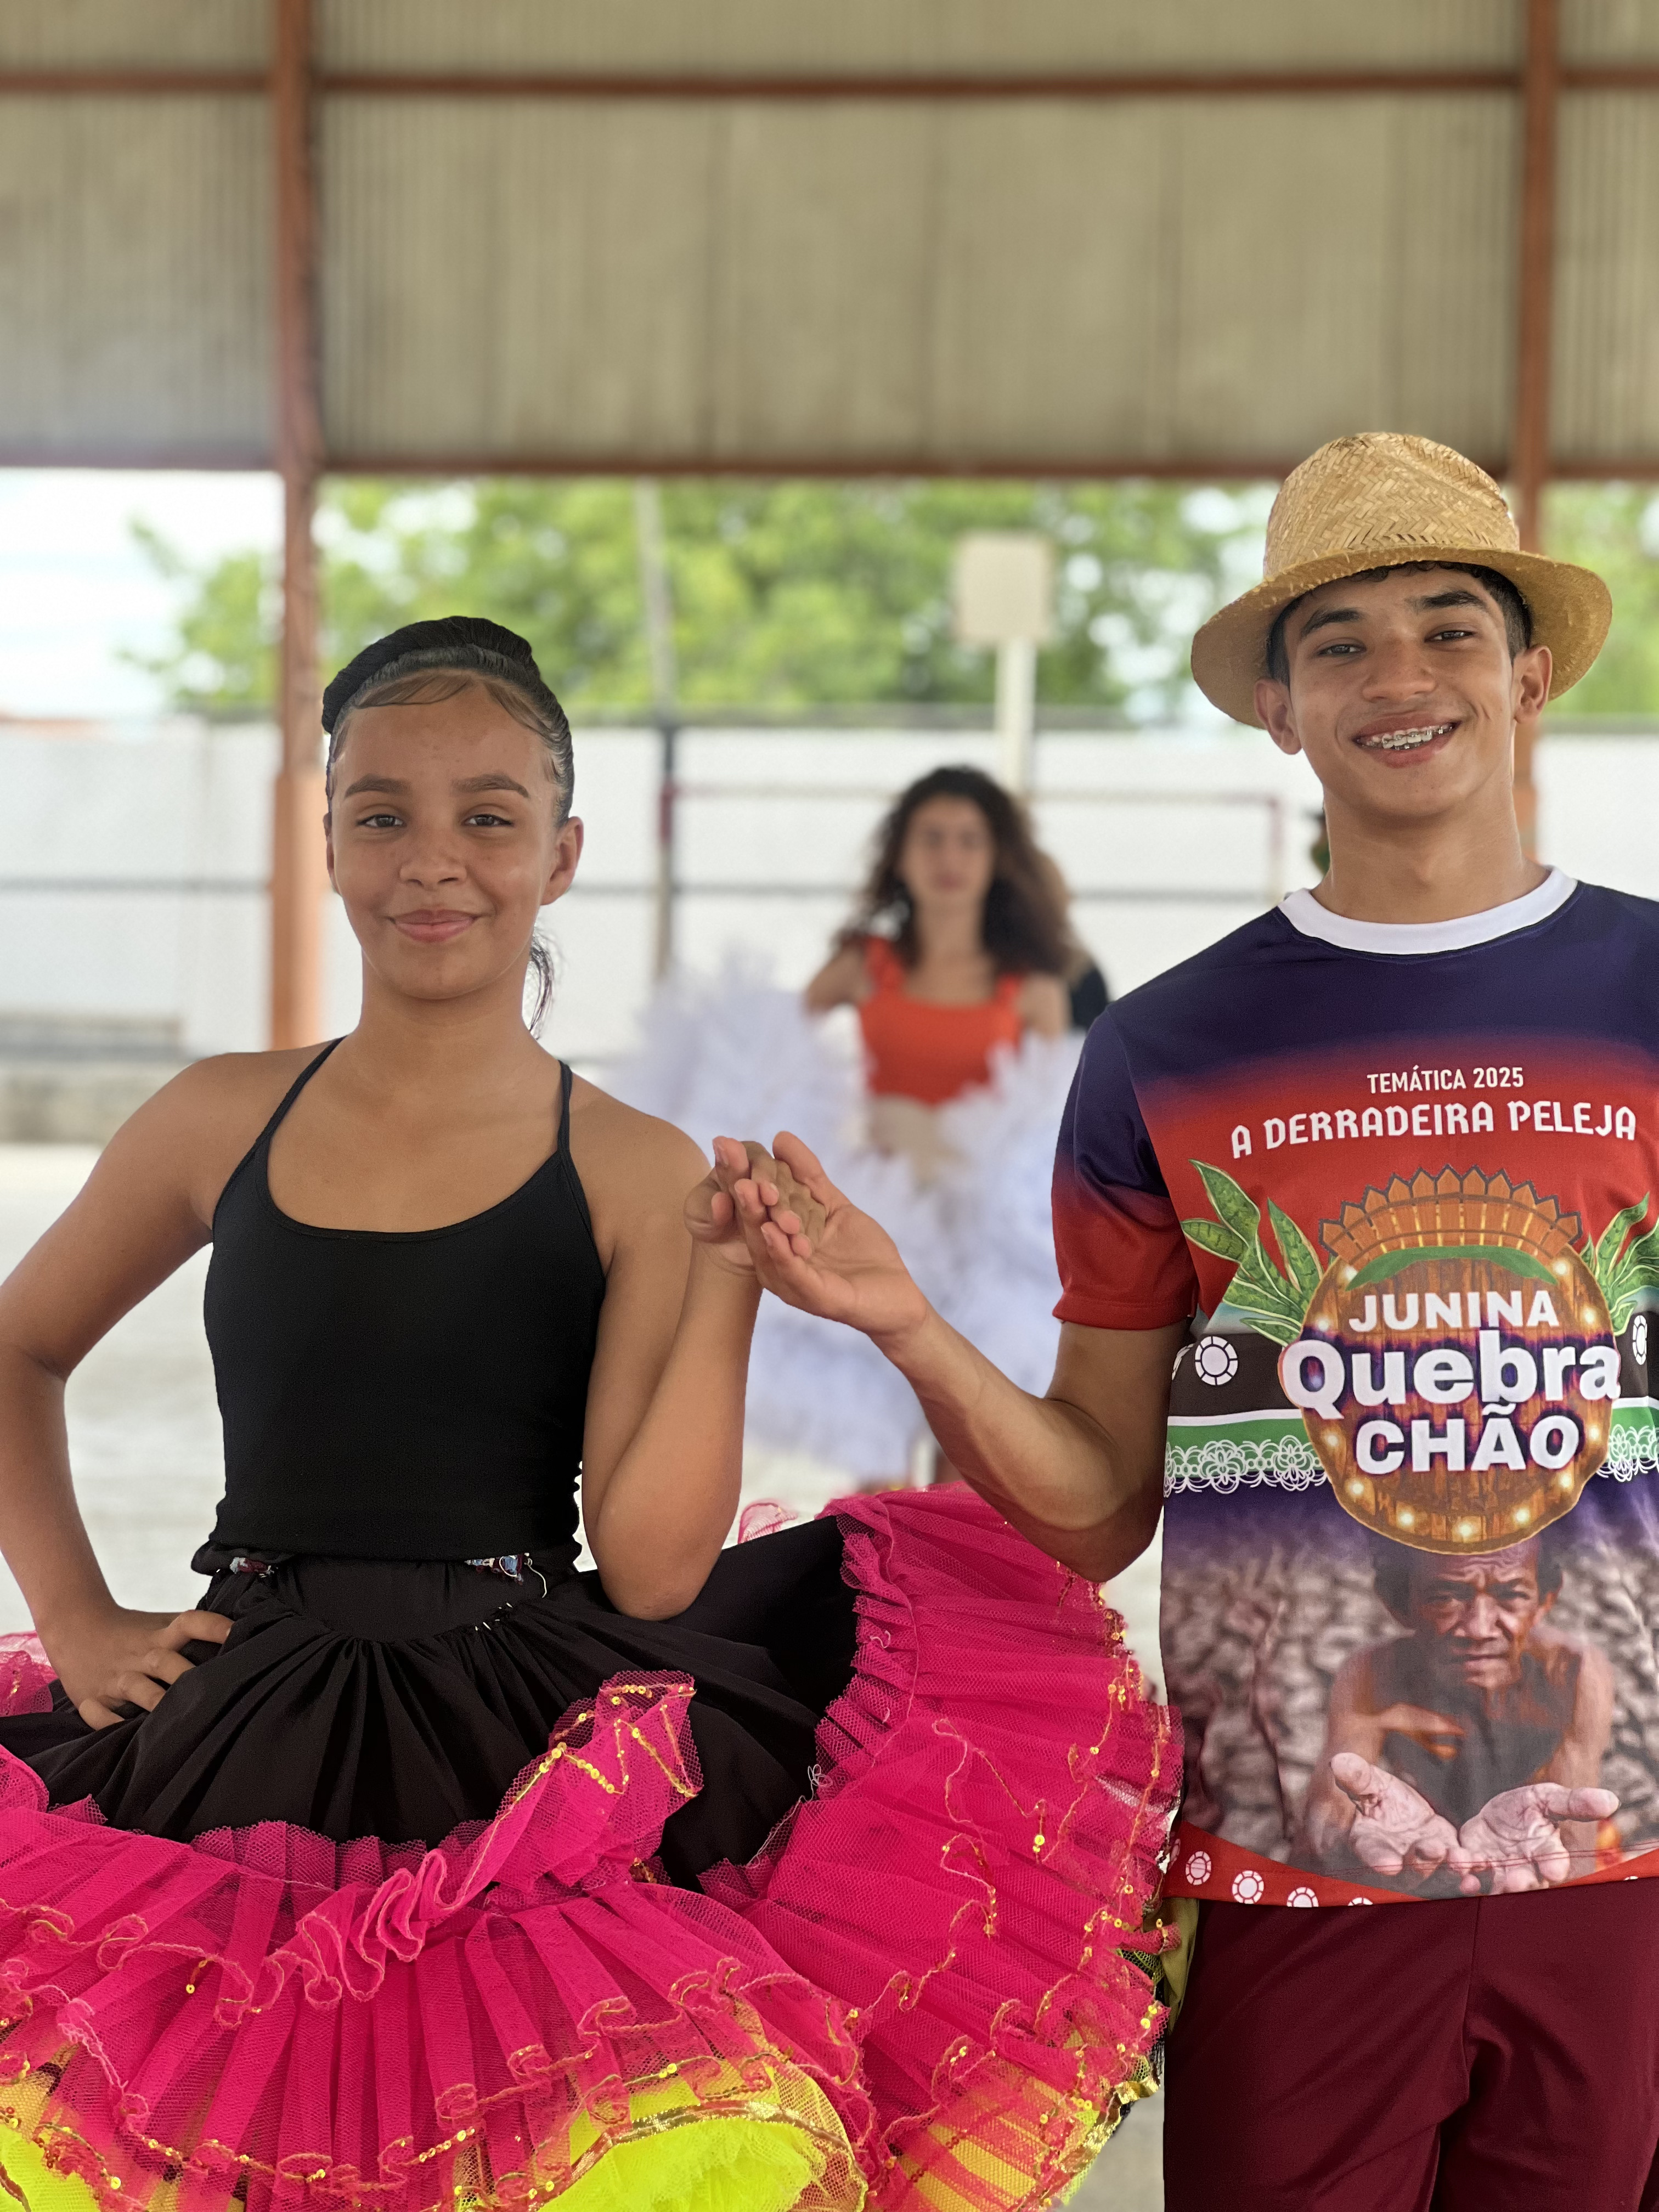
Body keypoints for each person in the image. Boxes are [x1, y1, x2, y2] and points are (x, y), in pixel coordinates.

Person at [0, 616, 1173, 2212]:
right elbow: (23, 1348)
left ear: (561, 856)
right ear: (329, 840)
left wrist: (728, 1281)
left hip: (524, 1744)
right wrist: (74, 1615)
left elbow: (655, 1568)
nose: (434, 860)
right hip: (238, 1718)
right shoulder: (215, 1117)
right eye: (382, 813)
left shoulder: (631, 1165)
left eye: (489, 817)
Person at [723, 435, 1659, 2208]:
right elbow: (1097, 1502)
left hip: (1623, 1872)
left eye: (1448, 628)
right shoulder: (1168, 1047)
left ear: (1529, 675)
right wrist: (909, 1324)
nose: (1399, 676)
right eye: (1340, 643)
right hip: (1290, 1874)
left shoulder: (1644, 992)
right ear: (1280, 712)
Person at [1298, 1533, 1615, 1890]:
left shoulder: (1571, 1674)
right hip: (1423, 1843)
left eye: (1511, 1596)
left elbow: (1574, 1838)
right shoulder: (1375, 1674)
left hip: (1532, 1842)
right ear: (1399, 1604)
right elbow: (1325, 1819)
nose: (1479, 1629)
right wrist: (1347, 1850)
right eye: (1445, 1598)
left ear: (1545, 1600)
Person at [805, 766, 1068, 1177]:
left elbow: (1051, 1129)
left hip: (985, 1203)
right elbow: (773, 1054)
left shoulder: (1036, 988)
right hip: (873, 1195)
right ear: (900, 856)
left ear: (997, 858)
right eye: (931, 838)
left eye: (970, 840)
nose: (949, 858)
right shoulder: (860, 964)